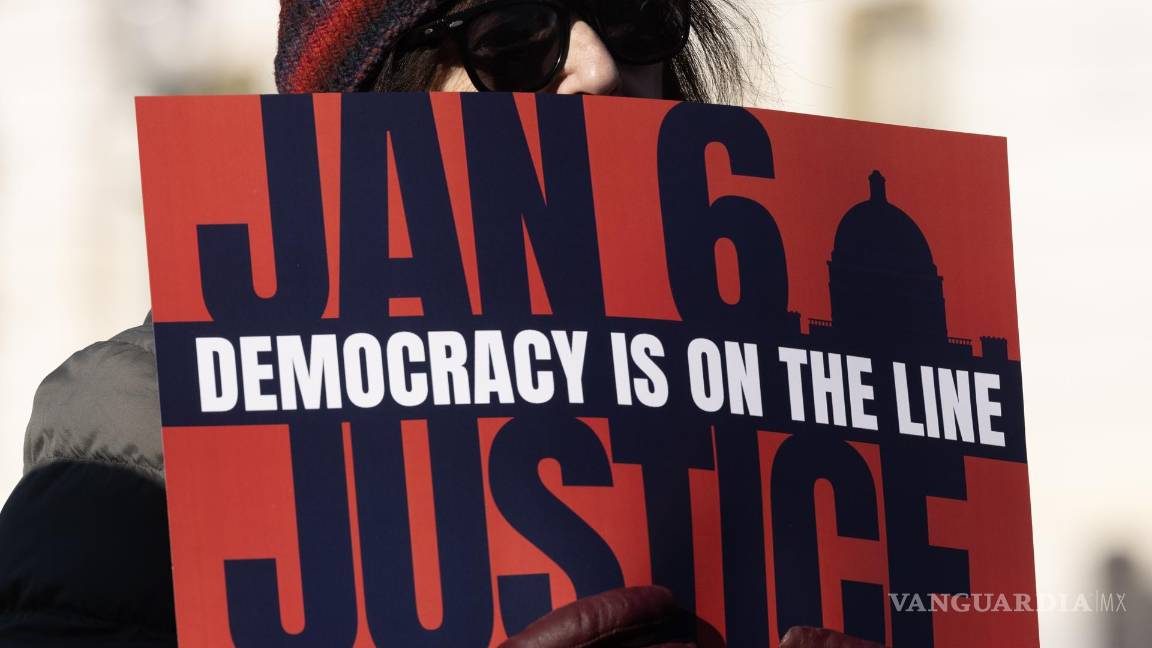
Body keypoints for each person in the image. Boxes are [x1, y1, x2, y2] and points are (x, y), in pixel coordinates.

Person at [1, 1, 883, 646]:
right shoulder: (144, 442)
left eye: (634, 19)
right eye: (512, 39)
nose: (603, 67)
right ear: (367, 100)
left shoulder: (813, 393)